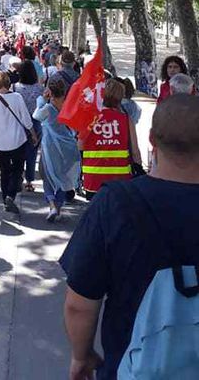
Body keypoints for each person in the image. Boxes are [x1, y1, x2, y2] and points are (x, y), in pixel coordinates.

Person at [60, 94, 199, 380]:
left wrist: (81, 354)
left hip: (131, 366)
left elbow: (80, 303)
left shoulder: (115, 203)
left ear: (151, 140)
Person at [80, 78, 142, 200]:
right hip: (120, 177)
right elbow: (135, 151)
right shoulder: (125, 119)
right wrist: (139, 169)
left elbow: (80, 145)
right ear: (120, 97)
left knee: (97, 214)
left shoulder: (90, 118)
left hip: (93, 177)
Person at [0, 71, 34, 216]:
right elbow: (26, 119)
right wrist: (34, 134)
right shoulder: (17, 97)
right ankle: (11, 195)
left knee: (4, 171)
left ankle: (5, 198)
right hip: (17, 140)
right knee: (18, 169)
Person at [33, 77, 81, 221]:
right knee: (62, 176)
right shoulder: (67, 106)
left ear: (50, 92)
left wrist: (41, 99)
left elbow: (36, 115)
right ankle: (58, 206)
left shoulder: (48, 108)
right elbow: (75, 126)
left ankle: (52, 205)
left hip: (50, 147)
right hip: (67, 145)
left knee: (48, 175)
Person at [15, 60, 44, 191]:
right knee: (32, 153)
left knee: (19, 151)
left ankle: (18, 176)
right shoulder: (40, 88)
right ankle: (29, 180)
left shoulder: (15, 87)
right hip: (35, 122)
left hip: (19, 123)